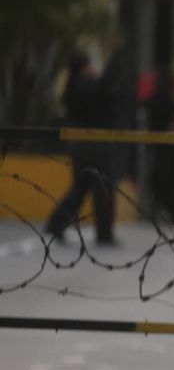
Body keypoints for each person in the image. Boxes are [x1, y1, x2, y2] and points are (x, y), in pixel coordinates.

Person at [44, 52, 117, 245]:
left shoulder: (72, 85)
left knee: (80, 187)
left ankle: (56, 222)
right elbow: (102, 99)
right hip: (93, 143)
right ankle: (104, 232)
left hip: (79, 144)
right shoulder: (85, 85)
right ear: (84, 67)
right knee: (102, 187)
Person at [145, 68, 174, 225]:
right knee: (169, 181)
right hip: (170, 148)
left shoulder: (166, 100)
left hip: (168, 149)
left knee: (163, 181)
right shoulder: (173, 101)